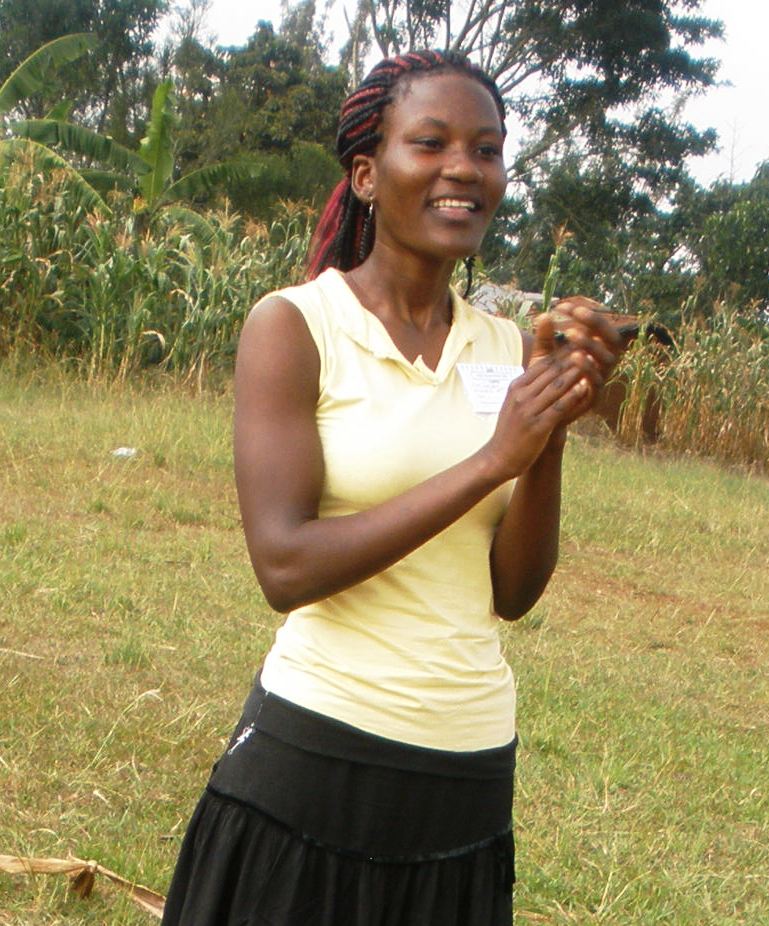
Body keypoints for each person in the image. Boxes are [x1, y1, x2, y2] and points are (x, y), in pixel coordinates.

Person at [161, 49, 622, 926]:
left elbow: (512, 593)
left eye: (486, 149)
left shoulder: (506, 347)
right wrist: (490, 460)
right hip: (316, 759)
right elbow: (284, 567)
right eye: (431, 143)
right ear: (367, 174)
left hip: (467, 772)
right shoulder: (297, 326)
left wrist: (548, 427)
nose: (464, 169)